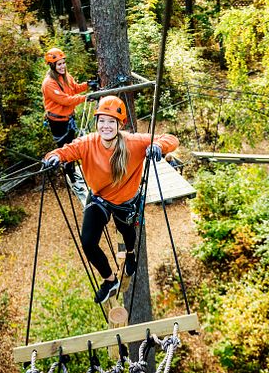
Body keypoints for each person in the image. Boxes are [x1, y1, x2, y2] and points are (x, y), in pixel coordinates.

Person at [43, 96, 179, 304]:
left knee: (127, 233)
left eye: (111, 121)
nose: (105, 126)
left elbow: (170, 139)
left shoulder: (133, 143)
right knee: (88, 242)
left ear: (120, 124)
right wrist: (54, 157)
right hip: (100, 198)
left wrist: (159, 146)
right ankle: (110, 280)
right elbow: (65, 151)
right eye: (102, 121)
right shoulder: (88, 143)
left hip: (125, 201)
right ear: (96, 122)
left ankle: (131, 253)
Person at [41, 47, 98, 200]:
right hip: (58, 122)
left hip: (68, 119)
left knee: (73, 148)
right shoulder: (49, 84)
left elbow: (75, 89)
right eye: (59, 64)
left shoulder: (66, 76)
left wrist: (88, 85)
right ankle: (73, 179)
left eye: (63, 63)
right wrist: (86, 97)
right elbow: (65, 100)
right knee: (65, 151)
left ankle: (72, 172)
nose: (62, 66)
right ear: (52, 66)